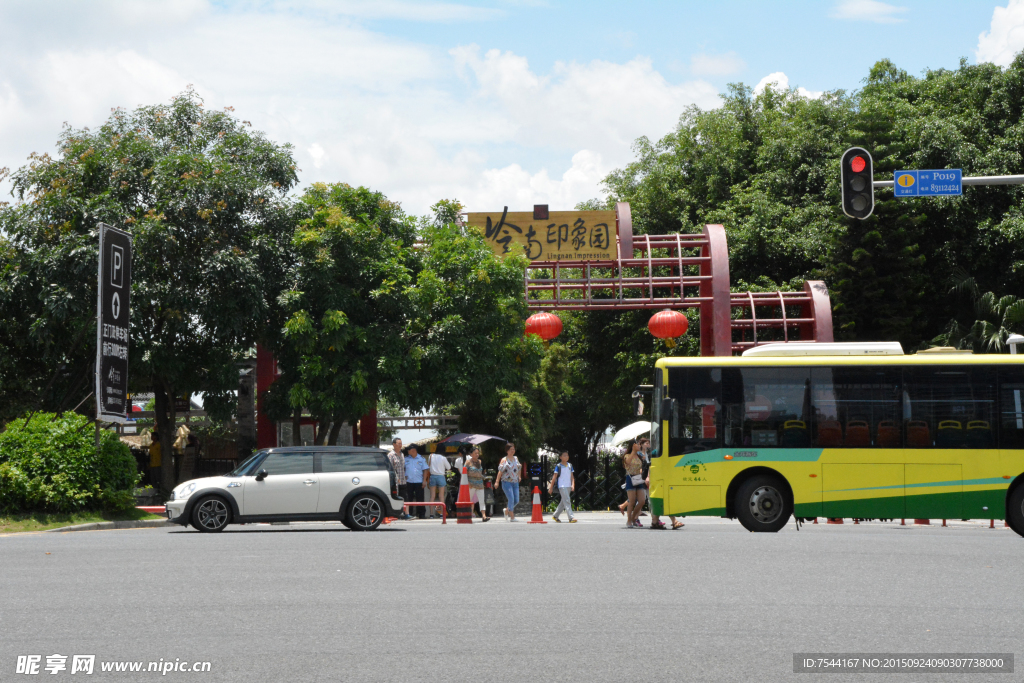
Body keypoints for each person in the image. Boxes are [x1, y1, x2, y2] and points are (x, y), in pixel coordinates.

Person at [622, 439, 647, 529]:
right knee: (631, 501)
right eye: (637, 444)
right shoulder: (627, 455)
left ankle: (633, 517)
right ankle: (629, 520)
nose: (639, 446)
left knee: (642, 501)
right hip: (630, 478)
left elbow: (645, 463)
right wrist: (633, 451)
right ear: (633, 445)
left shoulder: (640, 455)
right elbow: (628, 462)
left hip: (639, 478)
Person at [494, 442, 522, 522]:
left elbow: (519, 468)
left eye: (513, 449)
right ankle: (512, 517)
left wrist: (519, 476)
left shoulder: (516, 458)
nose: (512, 451)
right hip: (506, 482)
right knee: (511, 498)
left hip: (515, 481)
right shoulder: (504, 460)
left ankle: (506, 511)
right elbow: (500, 471)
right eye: (510, 449)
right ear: (507, 451)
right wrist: (497, 481)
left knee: (516, 500)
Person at [547, 451, 576, 523]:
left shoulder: (570, 465)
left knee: (563, 502)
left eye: (567, 455)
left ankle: (555, 515)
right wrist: (551, 487)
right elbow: (554, 477)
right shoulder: (558, 466)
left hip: (568, 485)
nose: (566, 457)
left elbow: (572, 477)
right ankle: (571, 517)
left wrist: (573, 485)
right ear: (560, 457)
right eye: (564, 455)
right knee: (567, 500)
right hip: (562, 486)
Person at [424, 449, 451, 519]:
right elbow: (449, 467)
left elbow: (428, 466)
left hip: (432, 476)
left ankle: (431, 514)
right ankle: (442, 514)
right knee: (441, 496)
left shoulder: (431, 456)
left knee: (432, 496)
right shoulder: (443, 458)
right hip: (441, 476)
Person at [388, 437, 410, 520]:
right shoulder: (391, 455)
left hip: (403, 480)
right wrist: (396, 477)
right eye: (399, 443)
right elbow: (390, 468)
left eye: (401, 443)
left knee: (405, 497)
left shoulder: (402, 454)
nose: (400, 445)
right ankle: (397, 514)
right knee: (396, 498)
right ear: (394, 445)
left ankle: (407, 514)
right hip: (395, 481)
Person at [465, 447, 489, 521]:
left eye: (478, 453)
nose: (477, 454)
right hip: (471, 484)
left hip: (480, 483)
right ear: (471, 454)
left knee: (482, 500)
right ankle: (468, 515)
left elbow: (483, 472)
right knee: (469, 500)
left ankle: (484, 516)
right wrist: (467, 482)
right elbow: (464, 473)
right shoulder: (468, 462)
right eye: (475, 453)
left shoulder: (480, 462)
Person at [404, 445, 428, 518]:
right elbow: (403, 469)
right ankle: (409, 513)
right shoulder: (406, 459)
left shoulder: (421, 459)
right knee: (409, 498)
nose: (408, 451)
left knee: (420, 498)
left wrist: (424, 481)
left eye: (409, 450)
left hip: (419, 482)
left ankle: (421, 514)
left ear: (413, 450)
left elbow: (425, 470)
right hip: (408, 482)